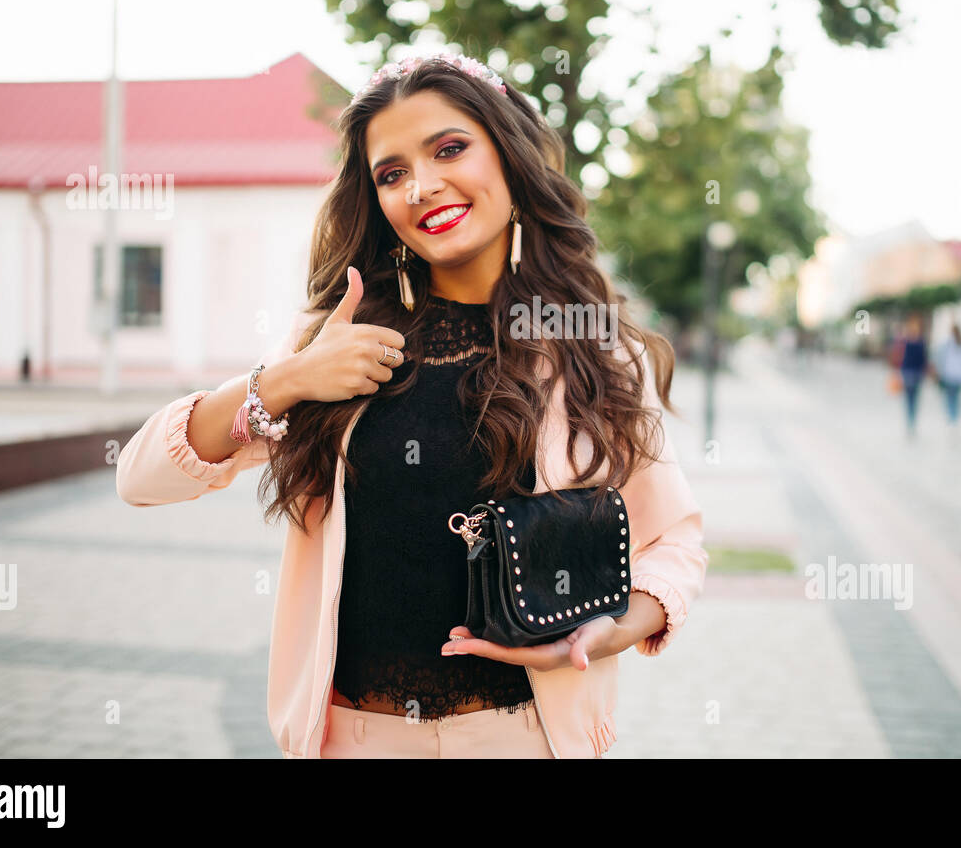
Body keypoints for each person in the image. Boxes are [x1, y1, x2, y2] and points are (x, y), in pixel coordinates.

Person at [115, 52, 708, 759]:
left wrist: (613, 627)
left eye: (450, 149)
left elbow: (674, 543)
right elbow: (141, 478)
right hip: (352, 739)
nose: (422, 187)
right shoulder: (339, 343)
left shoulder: (589, 350)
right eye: (391, 173)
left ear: (510, 161)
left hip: (525, 737)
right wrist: (286, 381)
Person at [935, 323, 961, 432]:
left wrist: (940, 372)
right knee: (957, 398)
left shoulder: (946, 343)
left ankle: (951, 418)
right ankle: (955, 418)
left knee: (949, 398)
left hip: (948, 376)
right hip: (960, 377)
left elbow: (939, 358)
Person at [896, 314, 929, 438]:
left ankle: (910, 423)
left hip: (908, 374)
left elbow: (901, 359)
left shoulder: (906, 342)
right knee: (915, 400)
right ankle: (912, 422)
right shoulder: (921, 342)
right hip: (917, 375)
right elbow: (923, 360)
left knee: (909, 400)